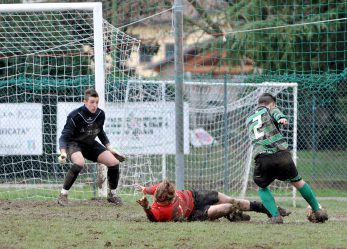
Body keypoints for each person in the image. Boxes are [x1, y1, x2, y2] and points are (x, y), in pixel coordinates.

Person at [245, 92, 328, 224]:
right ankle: (318, 210)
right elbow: (276, 113)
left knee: (262, 187)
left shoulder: (249, 119)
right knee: (298, 182)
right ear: (271, 104)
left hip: (263, 157)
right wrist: (281, 118)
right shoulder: (271, 109)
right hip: (282, 155)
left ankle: (275, 216)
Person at [57, 88, 126, 206]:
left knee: (114, 163)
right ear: (85, 102)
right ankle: (63, 195)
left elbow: (100, 133)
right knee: (79, 163)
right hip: (74, 144)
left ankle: (112, 195)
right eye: (92, 102)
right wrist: (63, 152)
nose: (95, 105)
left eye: (97, 102)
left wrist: (110, 148)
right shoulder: (75, 116)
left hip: (90, 143)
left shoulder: (100, 114)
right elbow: (64, 137)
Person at [134, 180, 291, 222]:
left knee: (233, 200)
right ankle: (232, 214)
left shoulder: (160, 190)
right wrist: (147, 208)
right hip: (194, 214)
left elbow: (154, 188)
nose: (176, 195)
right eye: (174, 196)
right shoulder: (160, 211)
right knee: (227, 207)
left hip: (195, 196)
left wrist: (144, 189)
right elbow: (153, 218)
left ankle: (271, 210)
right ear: (167, 201)